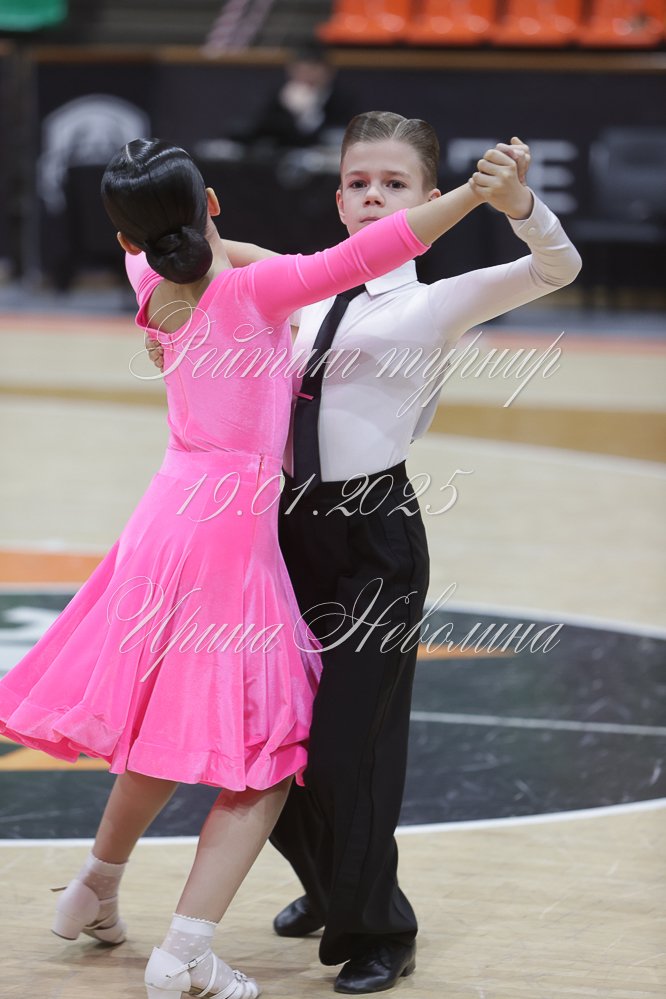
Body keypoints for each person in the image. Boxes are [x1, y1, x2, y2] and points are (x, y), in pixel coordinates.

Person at [0, 137, 488, 999]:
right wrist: (474, 195)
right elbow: (374, 251)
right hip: (229, 537)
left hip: (162, 519)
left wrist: (208, 246)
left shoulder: (147, 280)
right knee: (272, 748)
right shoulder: (258, 292)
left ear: (126, 239)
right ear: (214, 205)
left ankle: (96, 885)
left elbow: (214, 258)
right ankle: (186, 950)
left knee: (158, 722)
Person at [148, 111, 582, 995]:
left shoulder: (434, 300)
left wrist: (516, 203)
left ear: (429, 198)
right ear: (339, 196)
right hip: (277, 531)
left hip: (372, 538)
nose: (373, 196)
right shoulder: (299, 284)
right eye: (358, 182)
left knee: (351, 747)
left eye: (394, 184)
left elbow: (557, 267)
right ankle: (330, 884)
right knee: (261, 742)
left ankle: (381, 927)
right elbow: (210, 256)